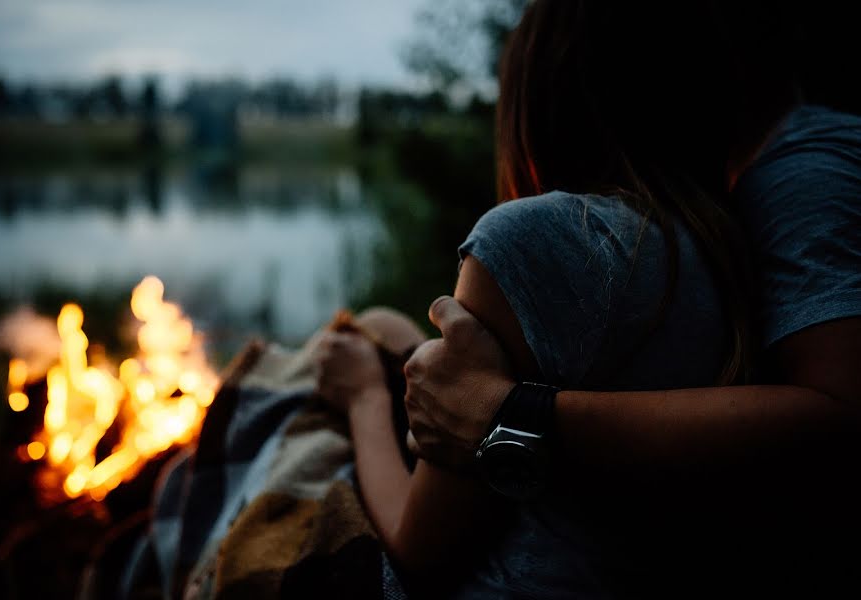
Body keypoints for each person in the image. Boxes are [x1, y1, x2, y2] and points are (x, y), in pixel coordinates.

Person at [315, 0, 861, 597]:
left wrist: (366, 399)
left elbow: (419, 555)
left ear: (537, 99)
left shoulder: (529, 241)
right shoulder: (723, 235)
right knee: (387, 328)